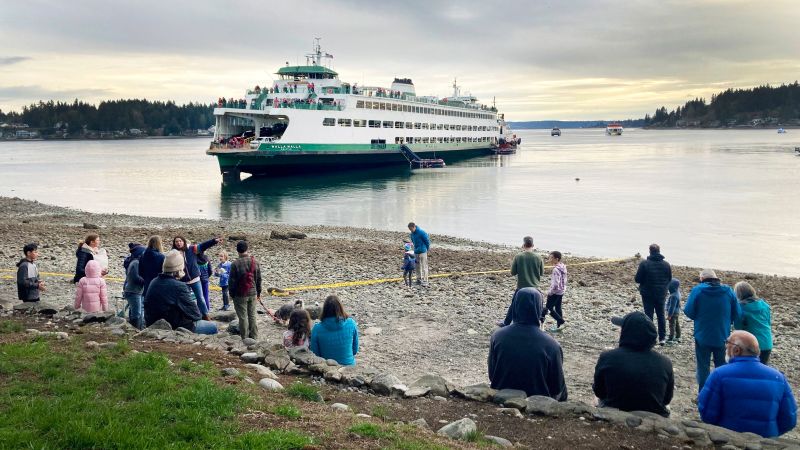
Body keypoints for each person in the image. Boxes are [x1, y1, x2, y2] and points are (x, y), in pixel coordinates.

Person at [698, 330, 796, 438]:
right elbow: (789, 419)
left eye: (727, 344)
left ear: (736, 350)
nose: (725, 348)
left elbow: (707, 413)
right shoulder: (779, 378)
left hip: (728, 440)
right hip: (766, 441)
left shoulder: (719, 374)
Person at [488, 288, 568, 400]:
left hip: (501, 396)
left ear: (515, 306)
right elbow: (557, 387)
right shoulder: (552, 345)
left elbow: (492, 375)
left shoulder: (497, 336)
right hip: (538, 402)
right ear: (539, 309)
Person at [593, 312, 674, 417]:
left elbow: (599, 392)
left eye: (622, 328)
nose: (619, 330)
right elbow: (667, 399)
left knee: (596, 400)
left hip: (616, 413)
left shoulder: (607, 357)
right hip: (653, 415)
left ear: (626, 332)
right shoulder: (665, 362)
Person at [683, 268, 742, 391]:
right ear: (715, 278)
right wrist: (727, 320)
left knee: (703, 366)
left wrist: (699, 317)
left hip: (702, 334)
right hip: (722, 334)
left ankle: (703, 393)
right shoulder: (728, 291)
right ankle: (721, 391)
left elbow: (688, 311)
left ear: (702, 279)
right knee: (721, 366)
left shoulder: (697, 290)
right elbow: (737, 313)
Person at [143, 250, 218, 335]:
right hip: (175, 326)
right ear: (179, 268)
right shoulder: (179, 286)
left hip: (151, 322)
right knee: (213, 326)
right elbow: (195, 314)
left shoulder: (154, 281)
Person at [172, 236, 222, 319]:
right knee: (187, 300)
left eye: (180, 241)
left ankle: (206, 315)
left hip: (195, 279)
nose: (178, 243)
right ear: (174, 243)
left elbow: (203, 246)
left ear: (183, 242)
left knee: (200, 298)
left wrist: (214, 241)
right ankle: (189, 316)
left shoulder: (192, 249)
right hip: (183, 281)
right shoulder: (173, 253)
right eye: (176, 241)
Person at [501, 236, 544, 327]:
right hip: (535, 287)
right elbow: (541, 273)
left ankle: (506, 323)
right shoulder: (539, 257)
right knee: (537, 306)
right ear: (533, 245)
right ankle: (538, 325)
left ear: (523, 245)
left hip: (521, 287)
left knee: (514, 305)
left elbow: (513, 272)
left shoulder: (519, 256)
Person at [634, 244, 672, 345]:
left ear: (650, 251)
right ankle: (662, 338)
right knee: (661, 315)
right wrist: (664, 288)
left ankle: (650, 337)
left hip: (647, 293)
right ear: (659, 251)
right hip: (661, 294)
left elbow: (637, 279)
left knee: (648, 315)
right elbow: (669, 279)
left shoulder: (644, 264)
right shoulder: (666, 264)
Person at [310, 295, 359, 366]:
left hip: (327, 368)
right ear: (340, 307)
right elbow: (355, 350)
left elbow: (315, 354)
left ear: (325, 309)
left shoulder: (317, 329)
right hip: (349, 367)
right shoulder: (351, 323)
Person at [228, 240, 262, 340]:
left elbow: (231, 282)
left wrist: (231, 294)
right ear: (247, 249)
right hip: (252, 293)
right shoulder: (255, 262)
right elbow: (258, 279)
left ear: (237, 250)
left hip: (240, 295)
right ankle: (254, 337)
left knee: (243, 317)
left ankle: (244, 338)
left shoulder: (235, 264)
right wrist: (258, 293)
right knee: (252, 315)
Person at [733, 281, 773, 364]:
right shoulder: (764, 305)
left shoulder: (741, 308)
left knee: (747, 370)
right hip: (767, 342)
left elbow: (738, 327)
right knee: (761, 369)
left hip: (750, 344)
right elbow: (768, 323)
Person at [542, 251, 568, 332]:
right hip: (561, 291)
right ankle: (559, 326)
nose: (549, 259)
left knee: (548, 309)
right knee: (558, 308)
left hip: (555, 292)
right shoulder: (563, 266)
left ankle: (562, 322)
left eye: (551, 258)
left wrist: (549, 292)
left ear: (556, 259)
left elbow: (555, 284)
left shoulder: (556, 270)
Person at [123, 244, 146, 329]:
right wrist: (146, 281)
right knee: (137, 313)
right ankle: (136, 329)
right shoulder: (136, 263)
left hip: (136, 291)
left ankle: (137, 328)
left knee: (136, 311)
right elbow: (135, 277)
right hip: (133, 291)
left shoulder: (135, 262)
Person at [666, 278, 682, 344]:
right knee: (677, 324)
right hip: (677, 312)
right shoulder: (678, 293)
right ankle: (678, 336)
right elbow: (679, 304)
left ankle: (670, 338)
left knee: (671, 325)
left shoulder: (673, 296)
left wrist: (669, 315)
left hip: (673, 313)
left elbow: (672, 307)